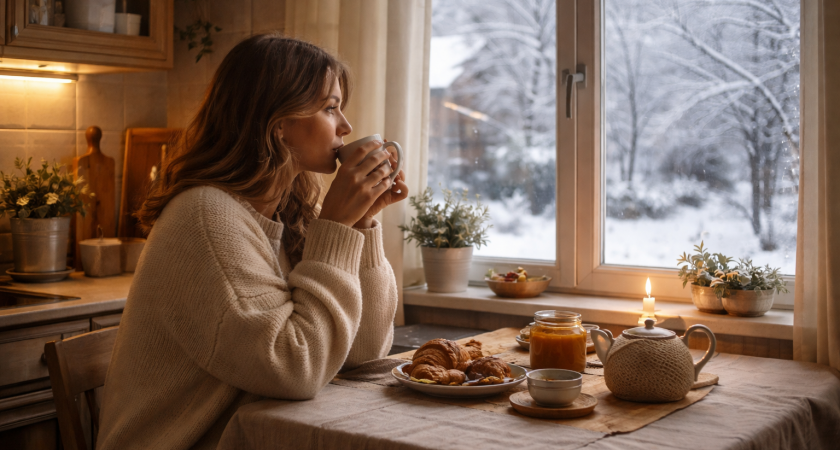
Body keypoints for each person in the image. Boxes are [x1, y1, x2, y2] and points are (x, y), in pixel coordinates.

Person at [96, 34, 407, 450]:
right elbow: (295, 369)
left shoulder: (286, 213)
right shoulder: (205, 218)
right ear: (277, 123)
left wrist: (360, 224)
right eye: (330, 107)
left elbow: (363, 353)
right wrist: (335, 227)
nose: (346, 126)